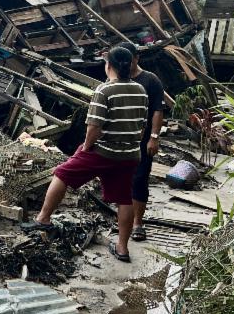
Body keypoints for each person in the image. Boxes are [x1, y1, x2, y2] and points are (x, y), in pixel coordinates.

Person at [22, 46, 148, 262]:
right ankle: (122, 249)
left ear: (110, 66)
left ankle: (43, 219)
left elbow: (94, 127)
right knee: (124, 198)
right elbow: (141, 125)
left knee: (62, 173)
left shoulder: (104, 91)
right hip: (129, 154)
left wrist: (87, 147)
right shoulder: (140, 90)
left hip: (103, 151)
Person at [118, 42, 167, 243]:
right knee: (121, 181)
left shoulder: (150, 80)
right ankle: (122, 222)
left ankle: (138, 223)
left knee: (139, 179)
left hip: (142, 140)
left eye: (128, 60)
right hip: (120, 139)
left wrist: (154, 137)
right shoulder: (117, 79)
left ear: (137, 58)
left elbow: (158, 110)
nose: (124, 64)